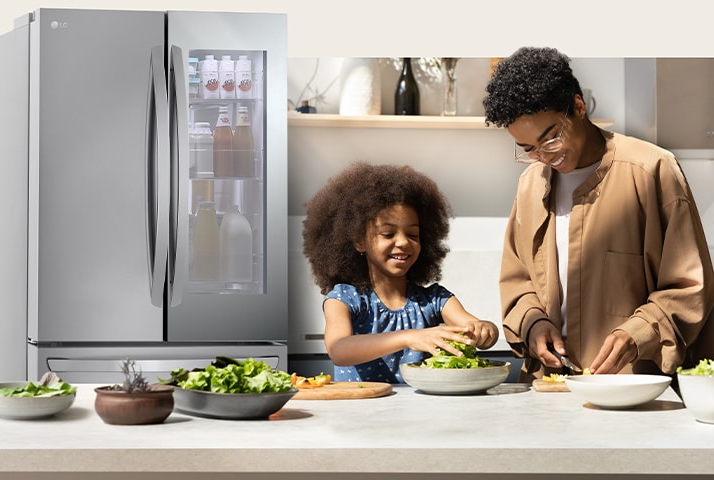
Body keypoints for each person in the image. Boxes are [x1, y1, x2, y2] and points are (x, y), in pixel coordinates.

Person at [483, 46, 714, 382]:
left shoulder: (652, 170)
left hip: (634, 390)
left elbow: (690, 287)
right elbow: (517, 280)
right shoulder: (531, 185)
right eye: (529, 149)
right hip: (550, 391)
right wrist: (533, 321)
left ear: (578, 107)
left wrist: (638, 334)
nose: (545, 156)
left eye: (551, 139)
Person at [302, 162, 499, 383]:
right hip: (359, 412)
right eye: (387, 234)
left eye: (413, 235)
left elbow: (473, 327)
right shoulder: (344, 299)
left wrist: (485, 331)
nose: (403, 242)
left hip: (417, 413)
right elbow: (339, 350)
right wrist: (408, 337)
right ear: (359, 241)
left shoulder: (435, 300)